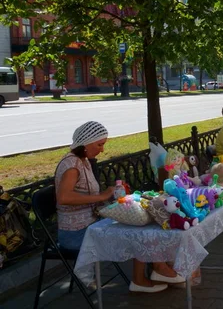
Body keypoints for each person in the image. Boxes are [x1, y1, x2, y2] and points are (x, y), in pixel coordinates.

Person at [56, 121, 183, 293]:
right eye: (99, 144)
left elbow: (84, 194)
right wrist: (101, 196)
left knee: (141, 225)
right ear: (85, 143)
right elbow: (64, 197)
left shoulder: (83, 161)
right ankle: (148, 274)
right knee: (138, 234)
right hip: (76, 233)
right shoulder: (72, 165)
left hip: (90, 223)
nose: (102, 149)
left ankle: (156, 268)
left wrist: (110, 195)